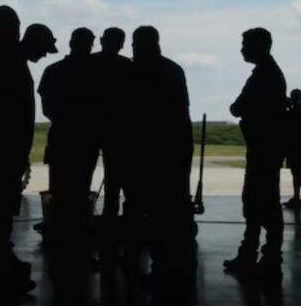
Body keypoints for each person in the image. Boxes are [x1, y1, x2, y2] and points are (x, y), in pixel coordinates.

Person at [0, 14, 57, 298]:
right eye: (43, 49)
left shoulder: (0, 55)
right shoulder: (3, 59)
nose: (43, 56)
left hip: (2, 152)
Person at [223, 27, 288, 283]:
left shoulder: (263, 76)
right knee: (257, 202)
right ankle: (254, 254)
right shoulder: (268, 74)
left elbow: (237, 107)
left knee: (262, 203)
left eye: (245, 44)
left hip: (263, 149)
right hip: (263, 149)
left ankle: (266, 255)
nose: (241, 49)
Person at [130, 26, 194, 285]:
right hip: (177, 147)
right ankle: (179, 264)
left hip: (152, 151)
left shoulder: (139, 72)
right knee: (175, 208)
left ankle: (161, 268)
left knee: (154, 212)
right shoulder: (173, 69)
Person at [38, 27, 99, 266]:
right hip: (85, 139)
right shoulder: (96, 73)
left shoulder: (54, 71)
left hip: (63, 137)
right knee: (79, 192)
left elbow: (47, 109)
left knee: (62, 192)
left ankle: (61, 246)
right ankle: (76, 248)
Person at [91, 27, 134, 222]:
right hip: (119, 131)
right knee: (116, 181)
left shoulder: (90, 63)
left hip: (92, 128)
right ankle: (114, 219)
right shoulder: (127, 66)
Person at [282, 88, 301, 209]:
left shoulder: (293, 112)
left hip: (294, 145)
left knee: (296, 172)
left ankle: (297, 197)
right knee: (300, 171)